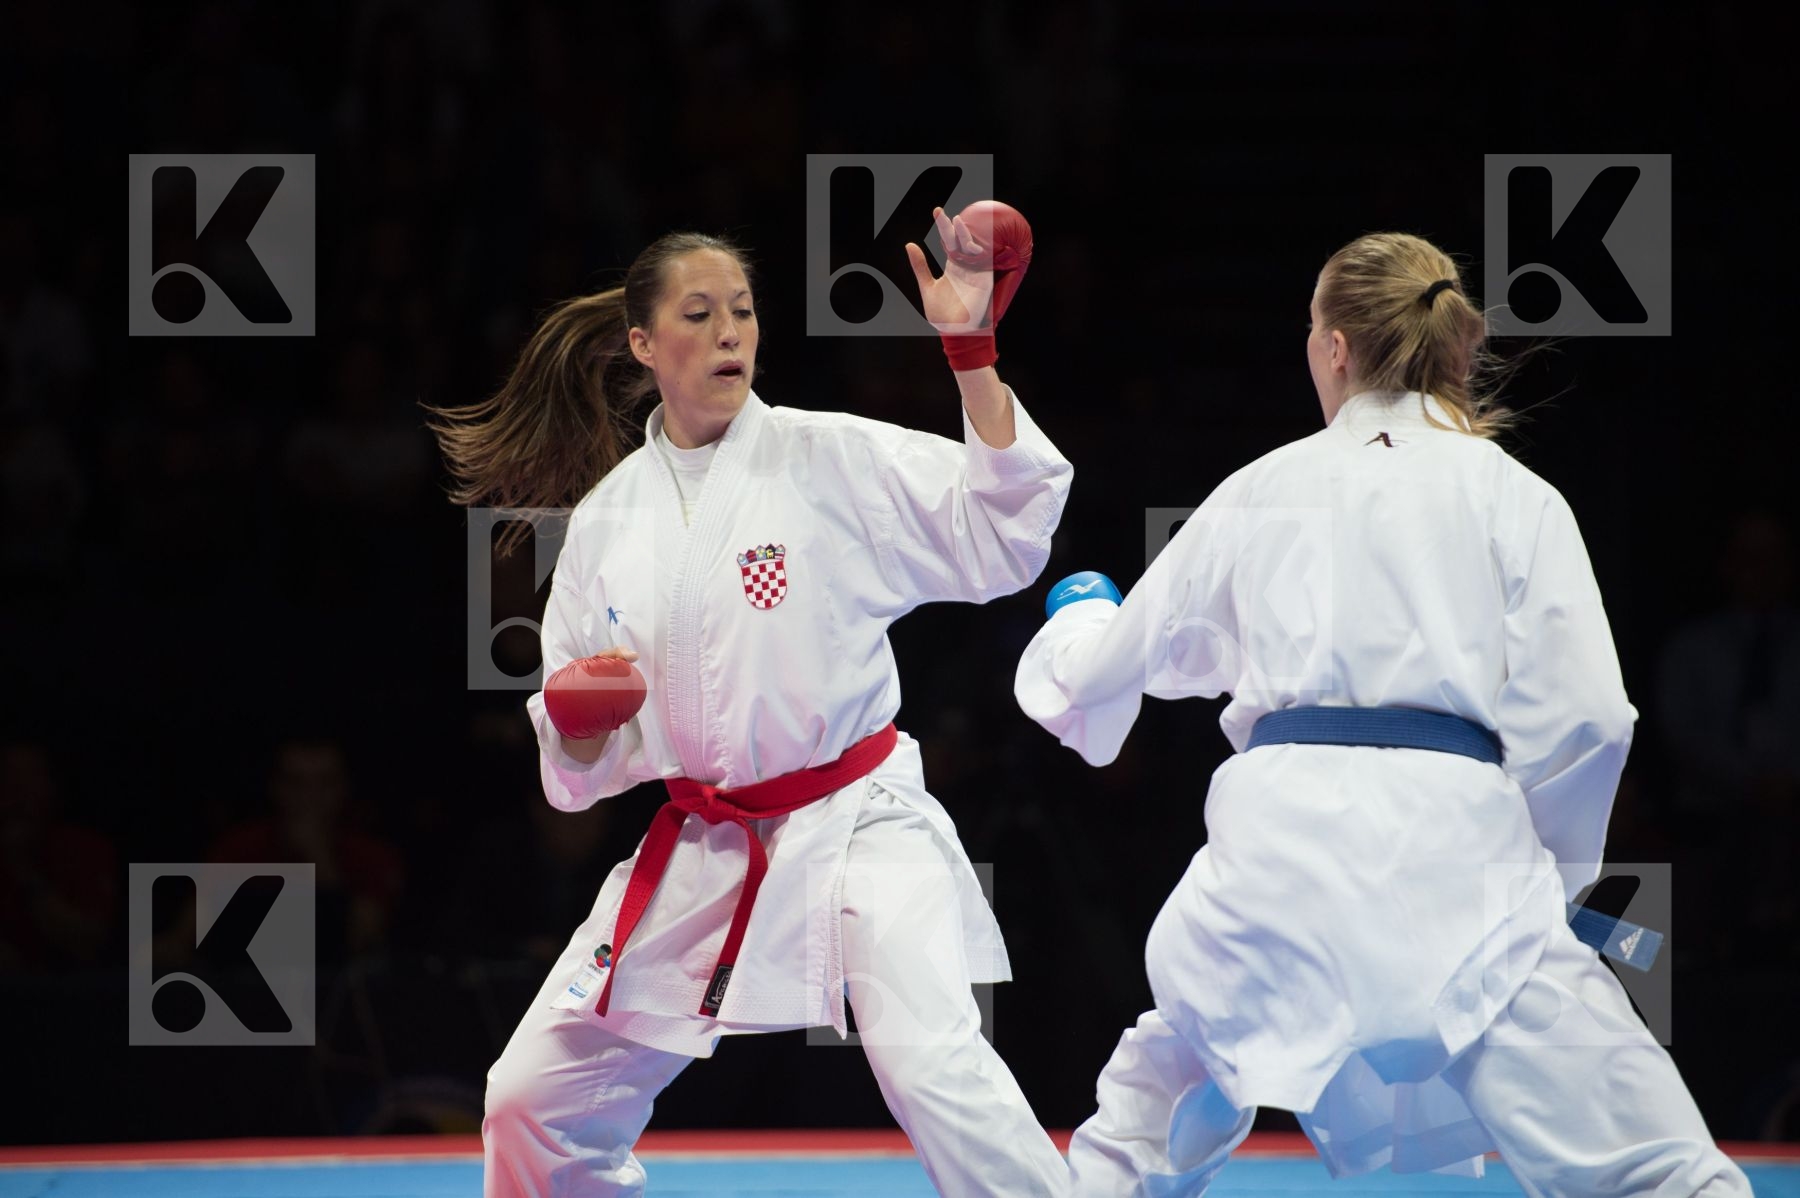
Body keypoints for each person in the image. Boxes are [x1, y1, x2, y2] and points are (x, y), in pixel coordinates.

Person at [1014, 232, 1751, 1196]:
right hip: (1457, 858)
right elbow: (1591, 724)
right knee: (1658, 1170)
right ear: (1457, 348)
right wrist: (1549, 883)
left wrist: (1081, 616)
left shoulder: (1262, 489)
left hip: (1271, 867)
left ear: (1331, 349)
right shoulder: (1516, 496)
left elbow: (1124, 666)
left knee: (1161, 1094)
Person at [429, 206, 1071, 1196]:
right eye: (701, 313)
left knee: (934, 1064)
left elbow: (1003, 531)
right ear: (644, 343)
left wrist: (970, 348)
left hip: (861, 821)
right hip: (707, 843)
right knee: (527, 1100)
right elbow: (574, 779)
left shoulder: (829, 460)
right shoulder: (605, 523)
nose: (732, 330)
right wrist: (578, 728)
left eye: (743, 310)